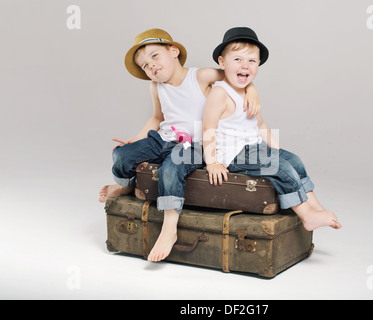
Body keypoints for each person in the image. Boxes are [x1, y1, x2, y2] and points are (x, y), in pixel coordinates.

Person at [98, 28, 261, 262]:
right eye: (145, 65)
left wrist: (252, 90)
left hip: (193, 143)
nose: (151, 66)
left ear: (173, 51)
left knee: (171, 168)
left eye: (154, 56)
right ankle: (126, 185)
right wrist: (138, 137)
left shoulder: (201, 76)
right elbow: (157, 118)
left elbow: (235, 75)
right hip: (164, 138)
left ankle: (169, 228)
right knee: (122, 155)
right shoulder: (155, 86)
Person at [202, 27, 342, 231]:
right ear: (222, 62)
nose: (245, 66)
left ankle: (317, 208)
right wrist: (212, 162)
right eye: (237, 60)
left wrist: (277, 150)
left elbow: (260, 125)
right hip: (233, 155)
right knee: (281, 168)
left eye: (251, 61)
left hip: (254, 147)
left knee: (293, 161)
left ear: (258, 64)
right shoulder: (220, 94)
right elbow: (208, 128)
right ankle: (307, 215)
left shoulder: (249, 93)